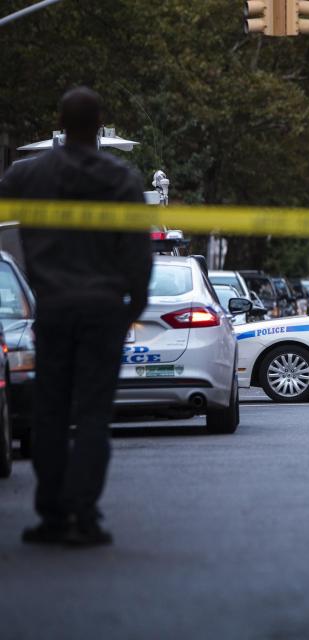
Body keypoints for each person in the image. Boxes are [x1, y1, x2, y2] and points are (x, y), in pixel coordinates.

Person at [0, 87, 152, 546]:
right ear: (98, 122)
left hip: (54, 308)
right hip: (104, 310)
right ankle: (83, 513)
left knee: (50, 412)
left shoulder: (28, 175)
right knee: (91, 415)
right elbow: (137, 249)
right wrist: (136, 302)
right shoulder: (120, 179)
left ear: (61, 122)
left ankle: (52, 514)